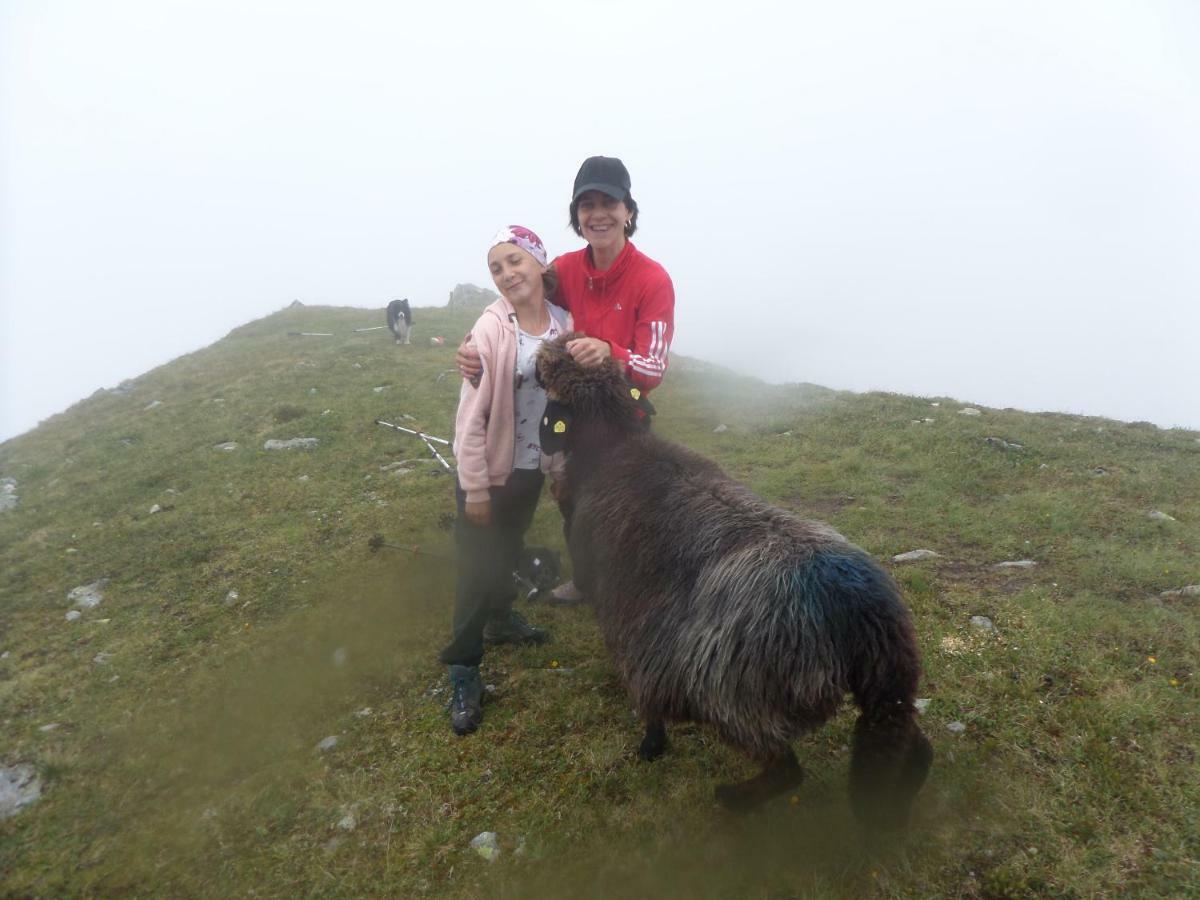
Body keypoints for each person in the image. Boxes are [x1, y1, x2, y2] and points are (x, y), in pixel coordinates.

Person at [456, 156, 675, 603]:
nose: (598, 214)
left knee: (626, 504)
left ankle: (631, 585)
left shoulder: (653, 280)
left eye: (609, 202)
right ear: (576, 216)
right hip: (564, 416)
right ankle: (586, 581)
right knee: (572, 502)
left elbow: (653, 369)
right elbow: (518, 302)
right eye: (586, 204)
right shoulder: (564, 271)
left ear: (628, 211)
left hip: (622, 418)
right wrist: (475, 344)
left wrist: (609, 353)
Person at [439, 225, 571, 736]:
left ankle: (501, 619)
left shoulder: (564, 325)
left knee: (508, 544)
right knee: (475, 566)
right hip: (487, 473)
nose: (506, 273)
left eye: (514, 260)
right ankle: (464, 669)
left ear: (539, 263)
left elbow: (561, 409)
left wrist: (556, 470)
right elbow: (469, 420)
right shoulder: (491, 329)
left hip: (527, 469)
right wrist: (473, 487)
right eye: (496, 267)